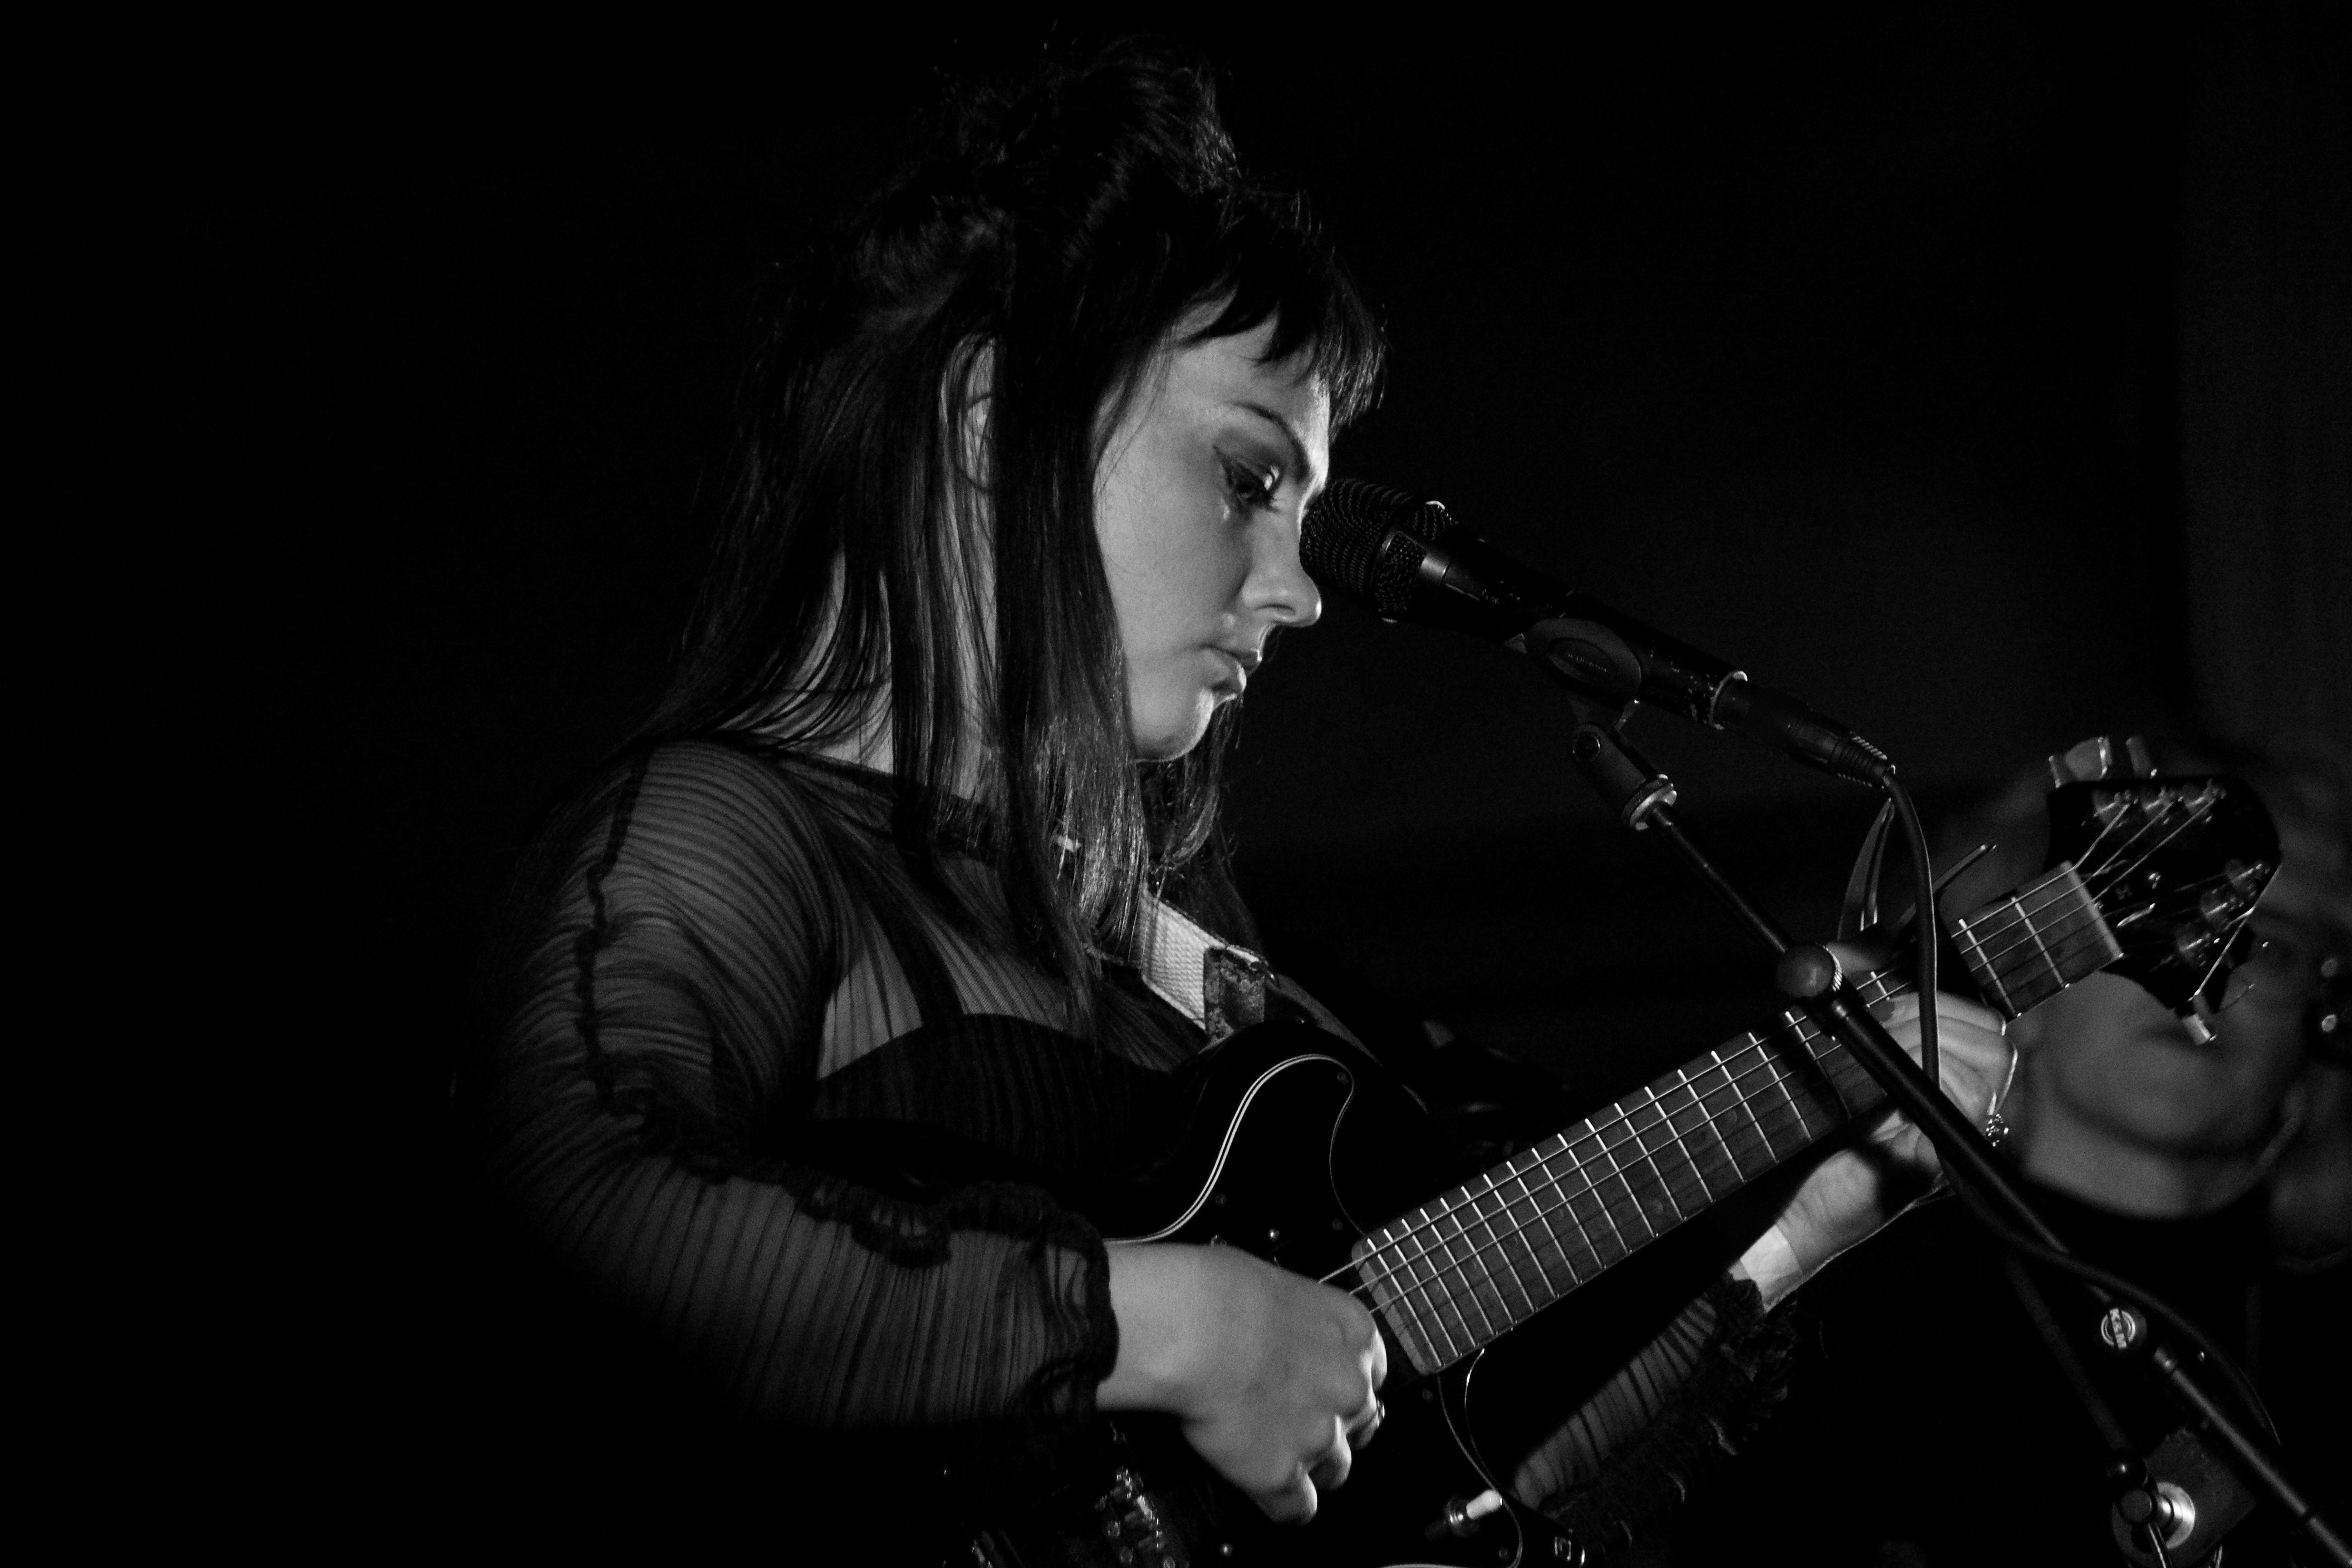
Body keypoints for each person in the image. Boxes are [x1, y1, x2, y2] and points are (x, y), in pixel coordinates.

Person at [455, 40, 2011, 1560]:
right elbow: (583, 1213)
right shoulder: (717, 833)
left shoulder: (1226, 963)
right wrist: (1161, 1320)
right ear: (991, 435)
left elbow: (1466, 1505)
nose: (1296, 592)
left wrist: (1798, 1223)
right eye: (1248, 478)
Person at [1676, 740, 2350, 1567]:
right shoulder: (1842, 1314)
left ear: (2325, 1016)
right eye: (2147, 915)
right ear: (2018, 963)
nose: (2204, 978)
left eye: (2269, 947)